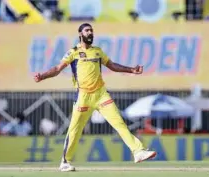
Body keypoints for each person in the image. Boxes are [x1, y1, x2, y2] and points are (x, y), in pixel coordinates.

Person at [34, 23, 156, 172]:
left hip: (101, 94)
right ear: (80, 34)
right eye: (87, 30)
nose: (90, 33)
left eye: (91, 30)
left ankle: (138, 151)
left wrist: (131, 70)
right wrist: (43, 76)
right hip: (83, 96)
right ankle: (65, 161)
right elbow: (57, 69)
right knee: (75, 129)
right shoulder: (73, 52)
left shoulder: (97, 51)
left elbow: (112, 65)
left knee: (119, 123)